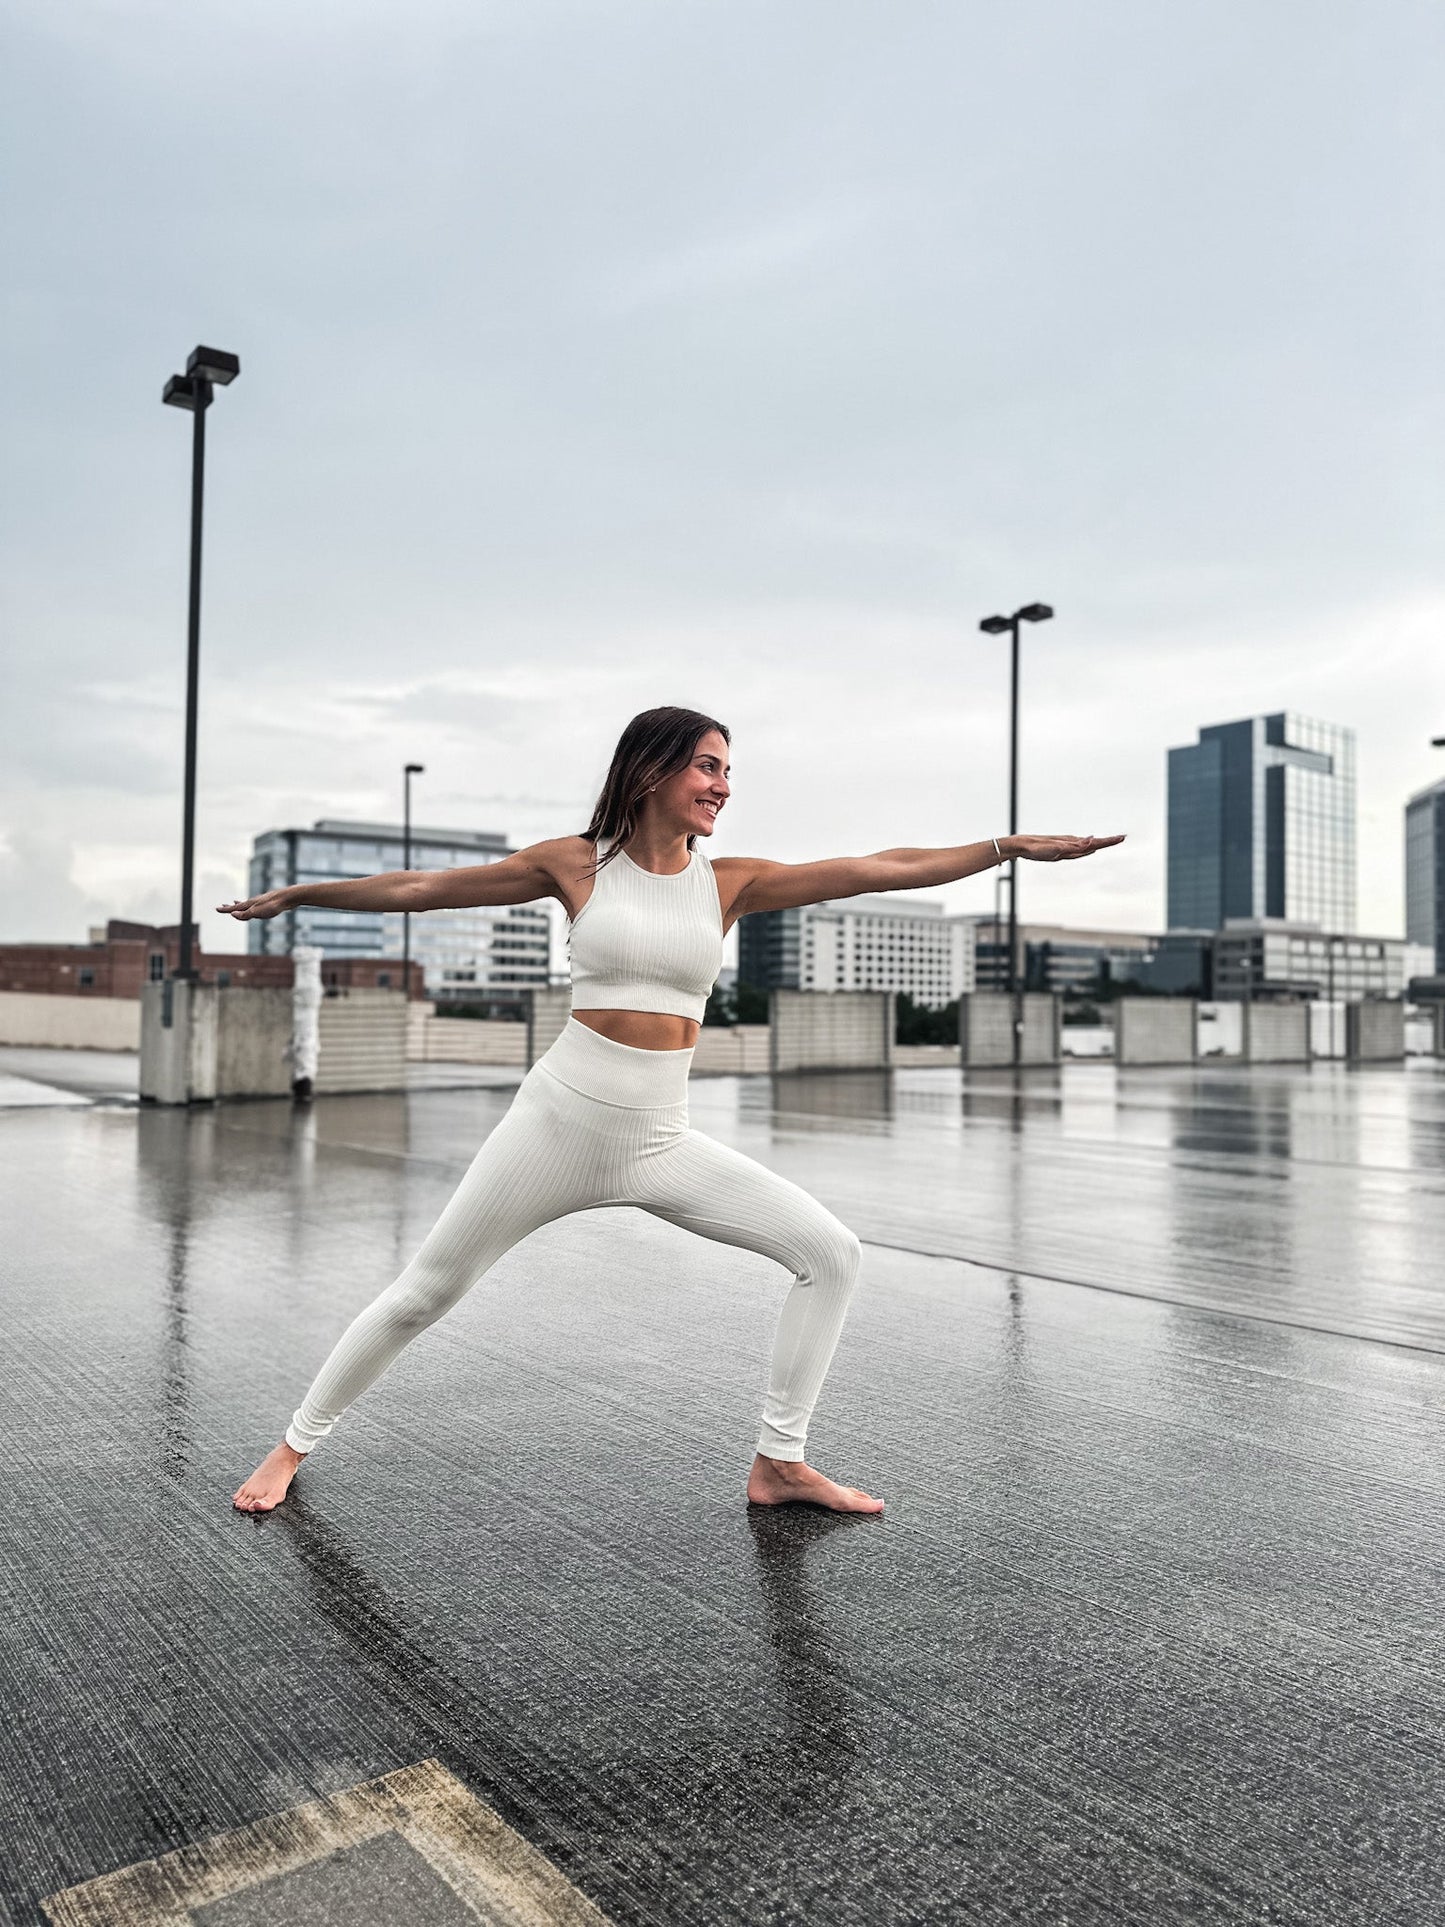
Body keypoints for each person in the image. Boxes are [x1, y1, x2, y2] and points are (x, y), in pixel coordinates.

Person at [223, 706, 1122, 1516]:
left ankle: (780, 1462)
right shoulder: (574, 864)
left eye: (728, 770)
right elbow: (422, 890)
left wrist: (1003, 848)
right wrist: (300, 896)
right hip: (557, 1123)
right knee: (424, 1293)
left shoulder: (726, 883)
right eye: (707, 766)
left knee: (830, 1253)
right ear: (651, 769)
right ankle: (293, 1444)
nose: (722, 786)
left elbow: (873, 869)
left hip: (658, 1137)